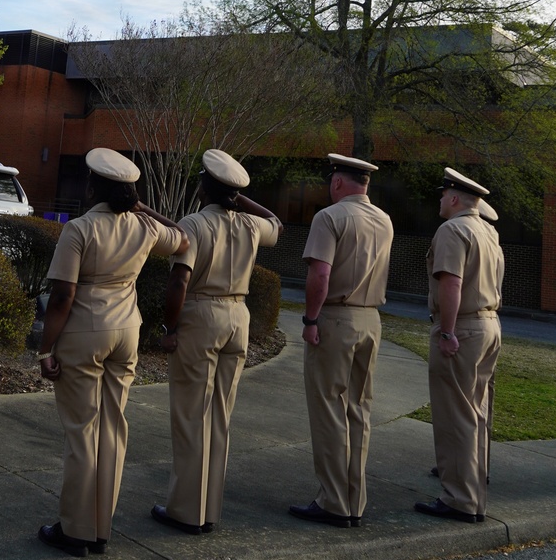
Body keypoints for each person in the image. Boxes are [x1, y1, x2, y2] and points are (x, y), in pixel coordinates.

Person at [37, 147, 188, 558]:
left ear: (93, 186)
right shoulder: (144, 227)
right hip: (128, 331)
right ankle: (101, 528)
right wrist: (145, 208)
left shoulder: (79, 229)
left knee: (82, 432)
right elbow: (184, 238)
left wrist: (45, 348)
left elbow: (63, 294)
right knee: (113, 429)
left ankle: (76, 530)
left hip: (85, 332)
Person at [151, 150, 282, 535]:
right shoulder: (251, 225)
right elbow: (276, 223)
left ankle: (185, 511)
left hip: (201, 315)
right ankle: (209, 510)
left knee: (192, 416)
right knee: (219, 417)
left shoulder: (194, 223)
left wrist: (169, 327)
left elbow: (179, 280)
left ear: (204, 186)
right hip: (237, 316)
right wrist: (239, 198)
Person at [289, 153, 393, 528]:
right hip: (371, 319)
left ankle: (333, 500)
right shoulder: (384, 220)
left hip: (336, 318)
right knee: (359, 410)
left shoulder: (329, 217)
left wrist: (310, 319)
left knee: (329, 409)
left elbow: (320, 274)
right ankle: (354, 499)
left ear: (337, 182)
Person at [415, 168, 504, 524]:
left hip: (462, 328)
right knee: (476, 415)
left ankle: (459, 499)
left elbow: (451, 283)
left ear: (454, 198)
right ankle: (474, 497)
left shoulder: (453, 229)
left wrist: (447, 332)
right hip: (488, 324)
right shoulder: (488, 230)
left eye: (442, 194)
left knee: (455, 416)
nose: (440, 200)